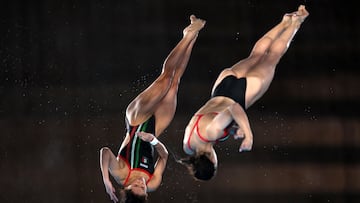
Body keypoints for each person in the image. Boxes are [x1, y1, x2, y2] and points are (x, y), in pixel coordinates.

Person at [181, 5, 309, 181]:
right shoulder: (188, 145)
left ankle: (296, 22)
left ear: (212, 160)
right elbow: (214, 119)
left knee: (272, 57)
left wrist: (248, 135)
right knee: (256, 54)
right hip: (221, 86)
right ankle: (284, 22)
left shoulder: (211, 134)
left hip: (240, 93)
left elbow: (234, 109)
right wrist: (234, 130)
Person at [100, 15, 206, 202]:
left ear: (126, 188)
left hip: (135, 120)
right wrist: (154, 141)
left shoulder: (120, 174)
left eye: (137, 185)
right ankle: (192, 38)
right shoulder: (153, 182)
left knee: (165, 79)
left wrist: (106, 180)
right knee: (174, 83)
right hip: (154, 129)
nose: (142, 182)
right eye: (144, 188)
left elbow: (105, 152)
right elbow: (164, 156)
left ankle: (187, 35)